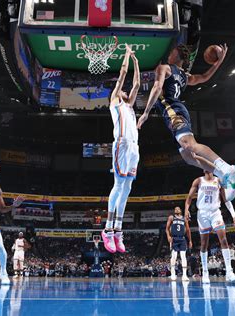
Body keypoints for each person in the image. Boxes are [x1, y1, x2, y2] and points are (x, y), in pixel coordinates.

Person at [137, 44, 235, 203]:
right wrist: (219, 62)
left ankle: (228, 169)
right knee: (188, 156)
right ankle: (223, 175)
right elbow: (205, 77)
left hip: (172, 110)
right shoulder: (185, 76)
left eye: (171, 51)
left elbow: (157, 87)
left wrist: (146, 112)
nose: (169, 54)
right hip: (177, 109)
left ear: (177, 55)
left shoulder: (164, 68)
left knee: (190, 145)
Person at [102, 44, 140, 253]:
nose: (125, 91)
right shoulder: (115, 101)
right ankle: (107, 230)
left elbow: (136, 84)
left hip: (134, 148)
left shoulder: (129, 105)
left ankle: (118, 230)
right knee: (118, 185)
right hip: (122, 145)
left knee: (127, 188)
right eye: (121, 90)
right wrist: (126, 55)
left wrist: (136, 62)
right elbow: (123, 75)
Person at [185, 171, 235, 283]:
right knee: (204, 244)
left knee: (224, 240)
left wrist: (234, 215)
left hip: (216, 212)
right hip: (203, 214)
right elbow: (189, 197)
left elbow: (226, 199)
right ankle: (205, 272)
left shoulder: (218, 180)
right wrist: (186, 210)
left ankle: (229, 272)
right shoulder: (198, 180)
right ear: (203, 169)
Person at [165, 206, 192, 281]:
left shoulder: (184, 219)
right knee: (174, 256)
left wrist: (190, 240)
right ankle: (173, 274)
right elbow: (167, 229)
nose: (176, 209)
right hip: (174, 238)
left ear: (180, 210)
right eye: (175, 209)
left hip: (182, 238)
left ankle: (184, 275)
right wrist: (168, 236)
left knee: (183, 256)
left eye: (178, 209)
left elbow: (188, 230)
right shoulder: (171, 217)